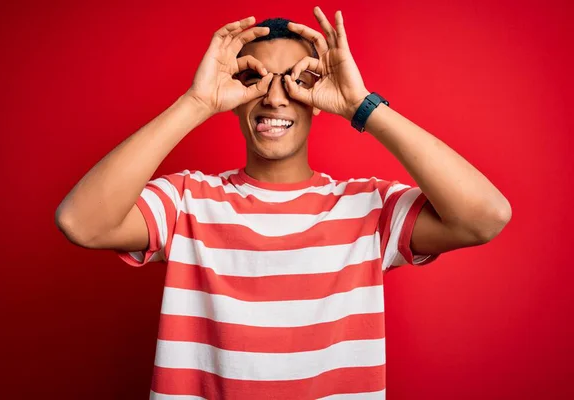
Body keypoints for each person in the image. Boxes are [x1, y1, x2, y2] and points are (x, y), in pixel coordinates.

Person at [55, 7, 511, 399]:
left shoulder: (367, 208)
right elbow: (81, 223)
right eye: (254, 79)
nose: (274, 98)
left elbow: (485, 217)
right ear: (233, 93)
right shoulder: (186, 202)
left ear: (318, 96)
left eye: (297, 81)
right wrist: (197, 101)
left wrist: (362, 105)